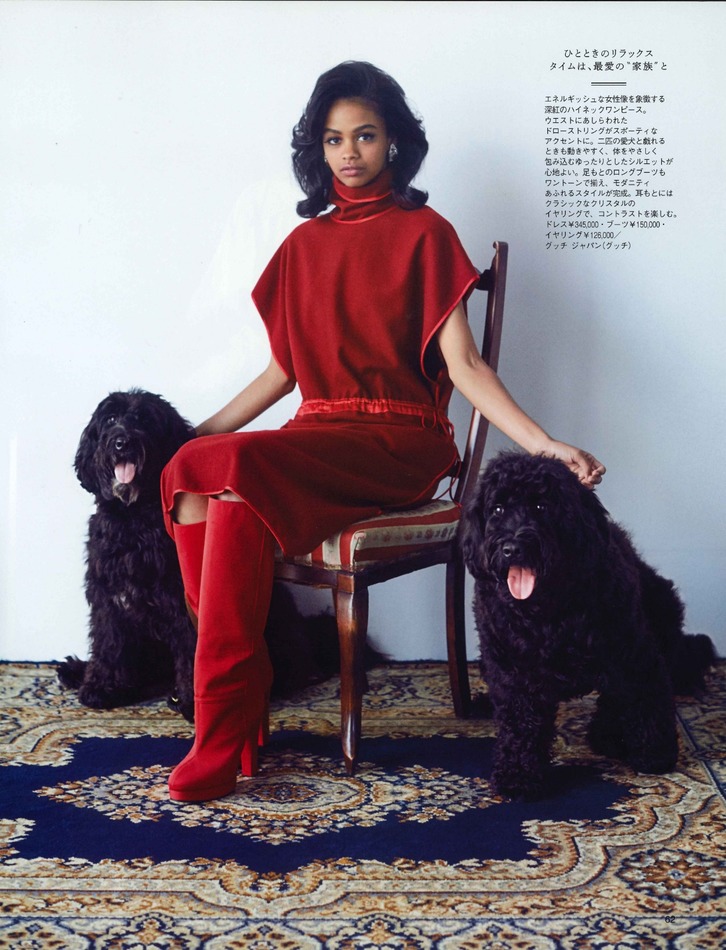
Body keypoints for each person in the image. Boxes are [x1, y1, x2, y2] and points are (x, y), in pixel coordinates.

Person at [162, 61, 605, 804]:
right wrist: (191, 440)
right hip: (317, 436)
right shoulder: (302, 246)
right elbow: (281, 377)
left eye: (365, 135)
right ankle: (233, 706)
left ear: (393, 140)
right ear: (317, 148)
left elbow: (465, 367)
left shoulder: (427, 234)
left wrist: (544, 444)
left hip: (399, 441)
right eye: (334, 139)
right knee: (197, 475)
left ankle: (223, 719)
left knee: (235, 470)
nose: (349, 152)